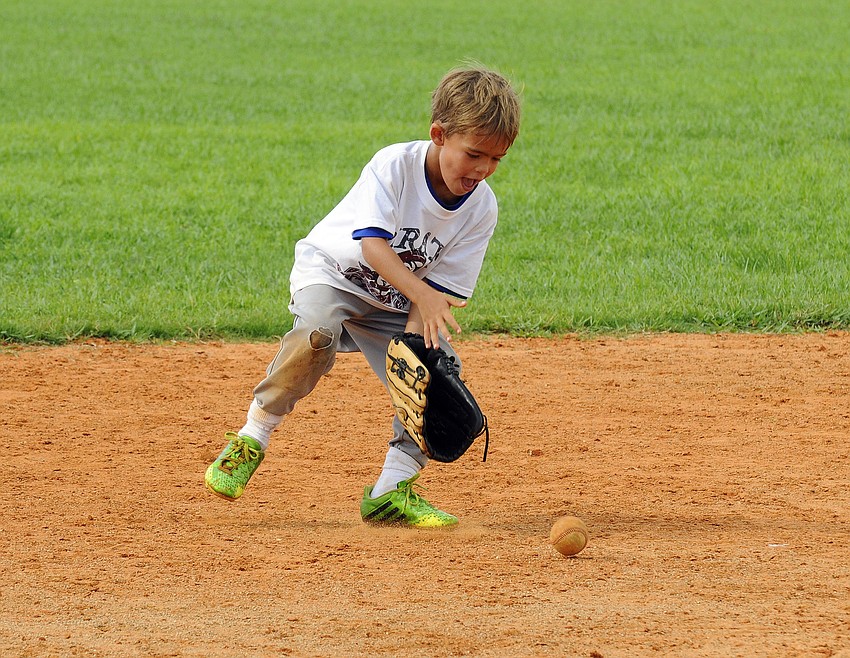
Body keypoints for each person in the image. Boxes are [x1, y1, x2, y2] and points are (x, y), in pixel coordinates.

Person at [204, 65, 521, 528]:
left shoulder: (481, 208)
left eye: (497, 159)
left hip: (393, 304)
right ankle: (252, 436)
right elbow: (373, 248)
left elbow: (436, 296)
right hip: (334, 273)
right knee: (316, 336)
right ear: (438, 134)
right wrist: (423, 296)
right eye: (474, 153)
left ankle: (392, 490)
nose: (483, 169)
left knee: (429, 376)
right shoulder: (395, 166)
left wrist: (416, 347)